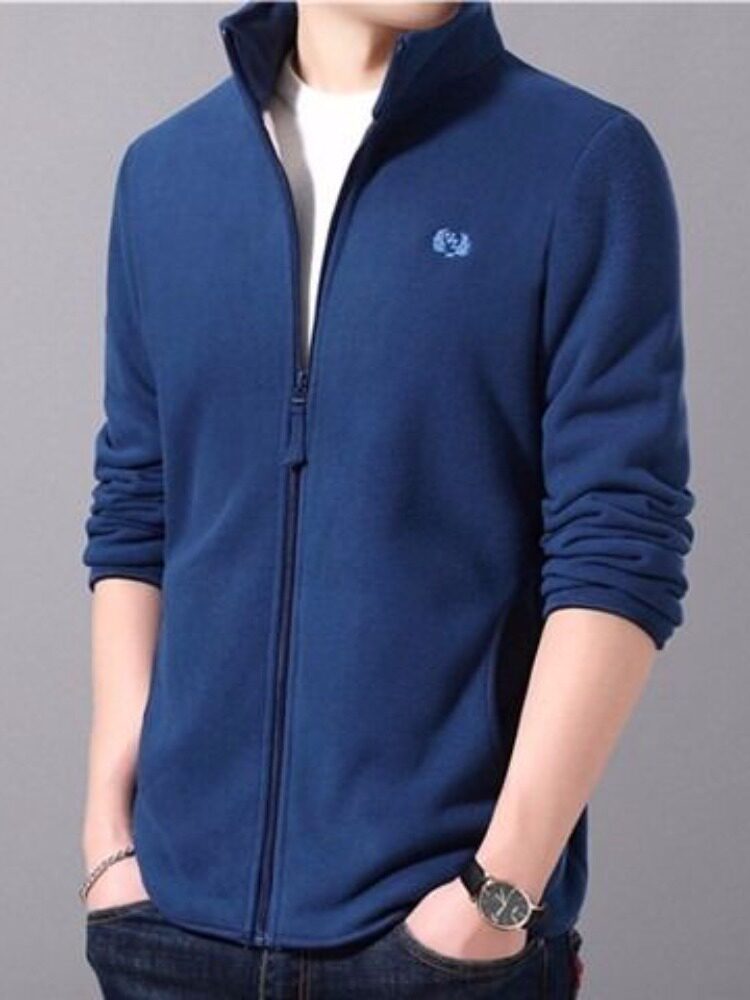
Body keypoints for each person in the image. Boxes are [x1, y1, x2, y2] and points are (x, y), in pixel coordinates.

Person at [79, 1, 695, 997]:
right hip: (168, 931)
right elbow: (138, 505)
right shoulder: (164, 173)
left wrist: (499, 890)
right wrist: (110, 835)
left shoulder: (579, 162)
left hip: (437, 939)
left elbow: (621, 537)